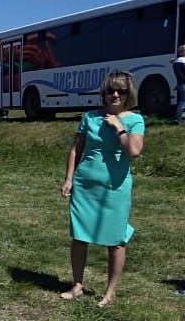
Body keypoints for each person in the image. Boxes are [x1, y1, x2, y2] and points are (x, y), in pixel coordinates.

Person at [59, 71, 145, 307]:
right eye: (110, 90)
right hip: (85, 185)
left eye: (121, 91)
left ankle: (110, 292)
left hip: (114, 188)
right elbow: (76, 149)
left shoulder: (134, 120)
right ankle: (77, 285)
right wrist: (69, 178)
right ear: (104, 93)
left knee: (116, 241)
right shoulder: (89, 117)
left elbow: (135, 151)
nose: (115, 95)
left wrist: (119, 127)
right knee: (79, 236)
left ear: (129, 94)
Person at [173, 44, 185, 125]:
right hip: (183, 84)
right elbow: (180, 74)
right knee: (183, 101)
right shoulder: (180, 61)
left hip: (181, 84)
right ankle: (177, 119)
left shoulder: (177, 61)